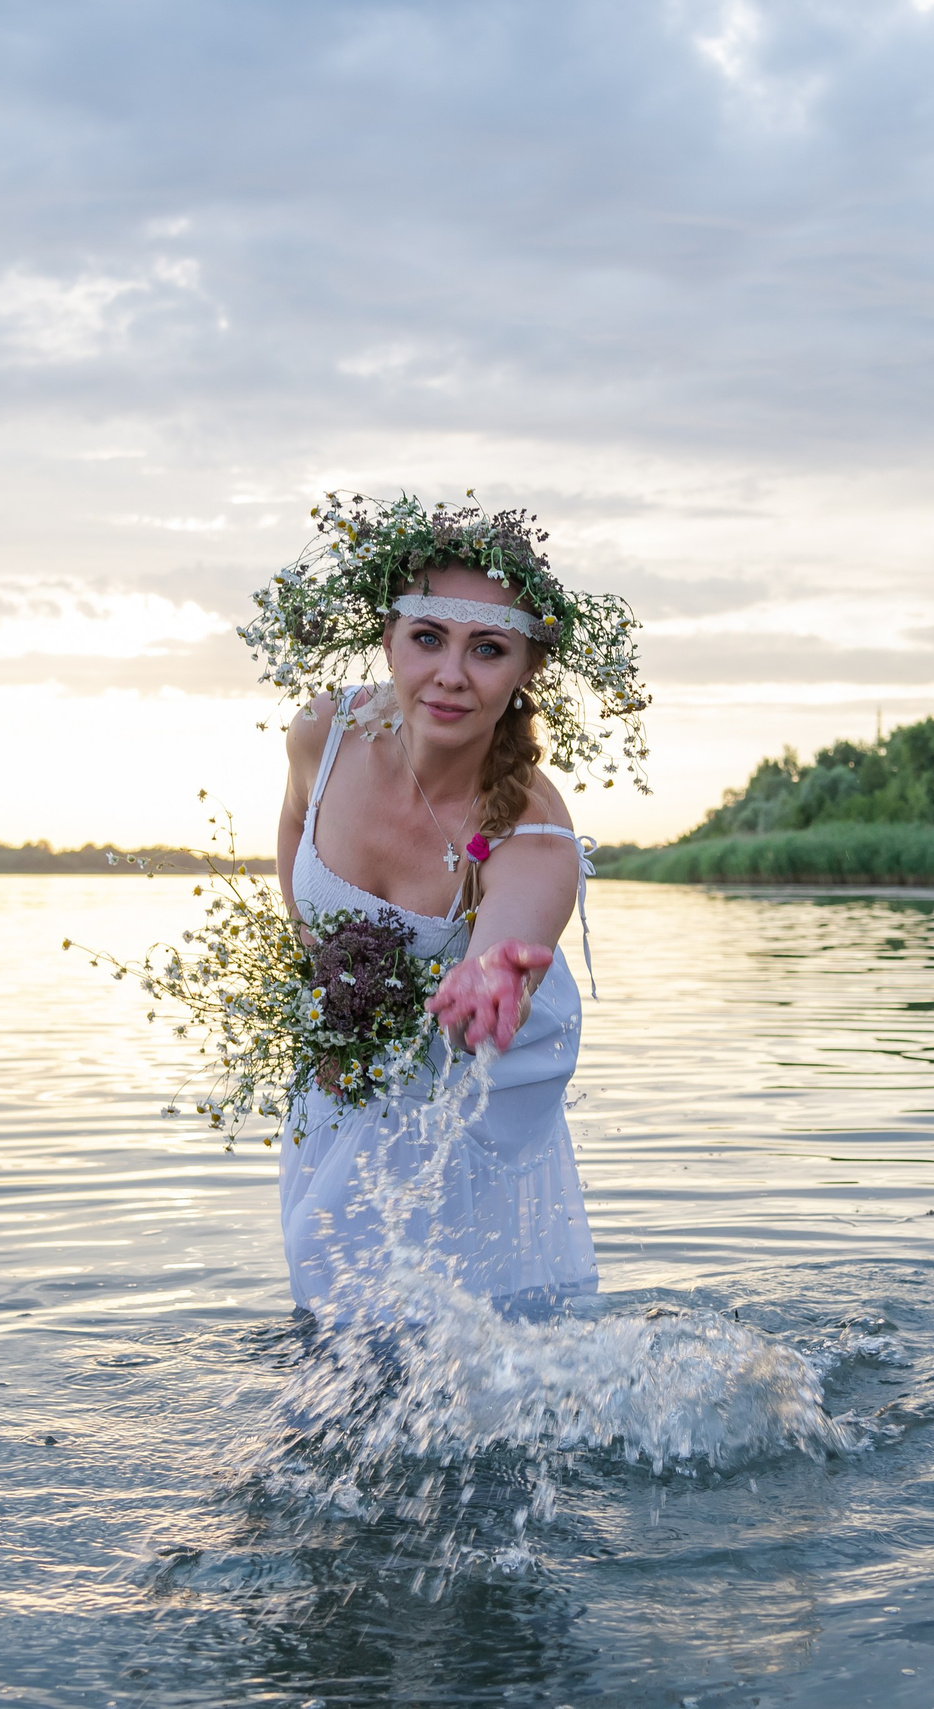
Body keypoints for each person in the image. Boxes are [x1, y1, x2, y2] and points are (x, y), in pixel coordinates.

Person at [245, 494, 650, 1320]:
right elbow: (294, 821)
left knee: (462, 1321)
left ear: (528, 669)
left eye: (489, 649)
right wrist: (317, 962)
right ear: (389, 638)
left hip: (469, 1098)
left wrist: (494, 972)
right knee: (332, 1292)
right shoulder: (324, 734)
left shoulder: (531, 820)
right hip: (346, 1070)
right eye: (428, 638)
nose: (452, 675)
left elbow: (518, 921)